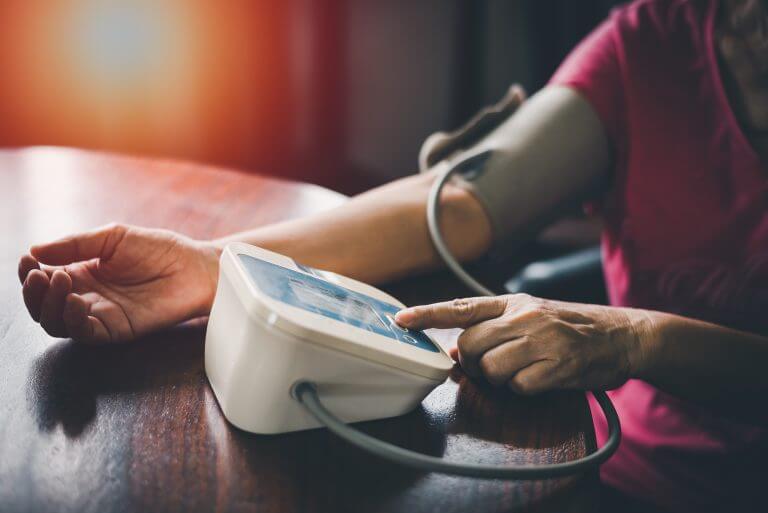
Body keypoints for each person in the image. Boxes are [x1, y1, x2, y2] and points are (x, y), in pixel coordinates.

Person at [17, 0, 768, 511]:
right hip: (615, 472)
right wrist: (216, 267)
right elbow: (462, 203)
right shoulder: (652, 43)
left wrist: (636, 338)